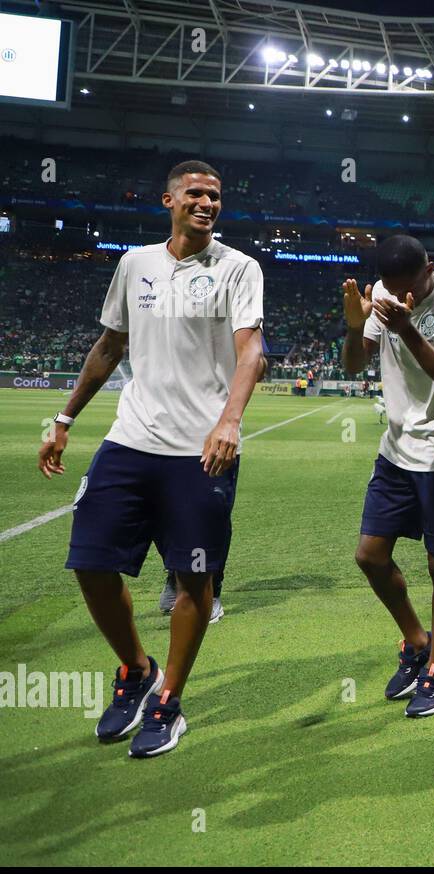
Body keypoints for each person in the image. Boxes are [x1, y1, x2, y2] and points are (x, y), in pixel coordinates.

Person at [37, 159, 264, 758]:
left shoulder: (239, 269)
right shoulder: (135, 264)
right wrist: (63, 420)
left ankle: (169, 702)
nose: (207, 203)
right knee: (89, 560)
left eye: (215, 195)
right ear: (168, 200)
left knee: (195, 580)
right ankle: (137, 670)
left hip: (201, 451)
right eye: (195, 193)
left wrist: (229, 421)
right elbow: (111, 345)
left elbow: (252, 352)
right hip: (131, 438)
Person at [340, 235, 434, 719]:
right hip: (397, 450)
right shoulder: (382, 295)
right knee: (370, 555)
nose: (405, 295)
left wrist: (406, 329)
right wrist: (354, 326)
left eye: (413, 286)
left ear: (431, 269)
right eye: (393, 287)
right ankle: (416, 640)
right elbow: (354, 364)